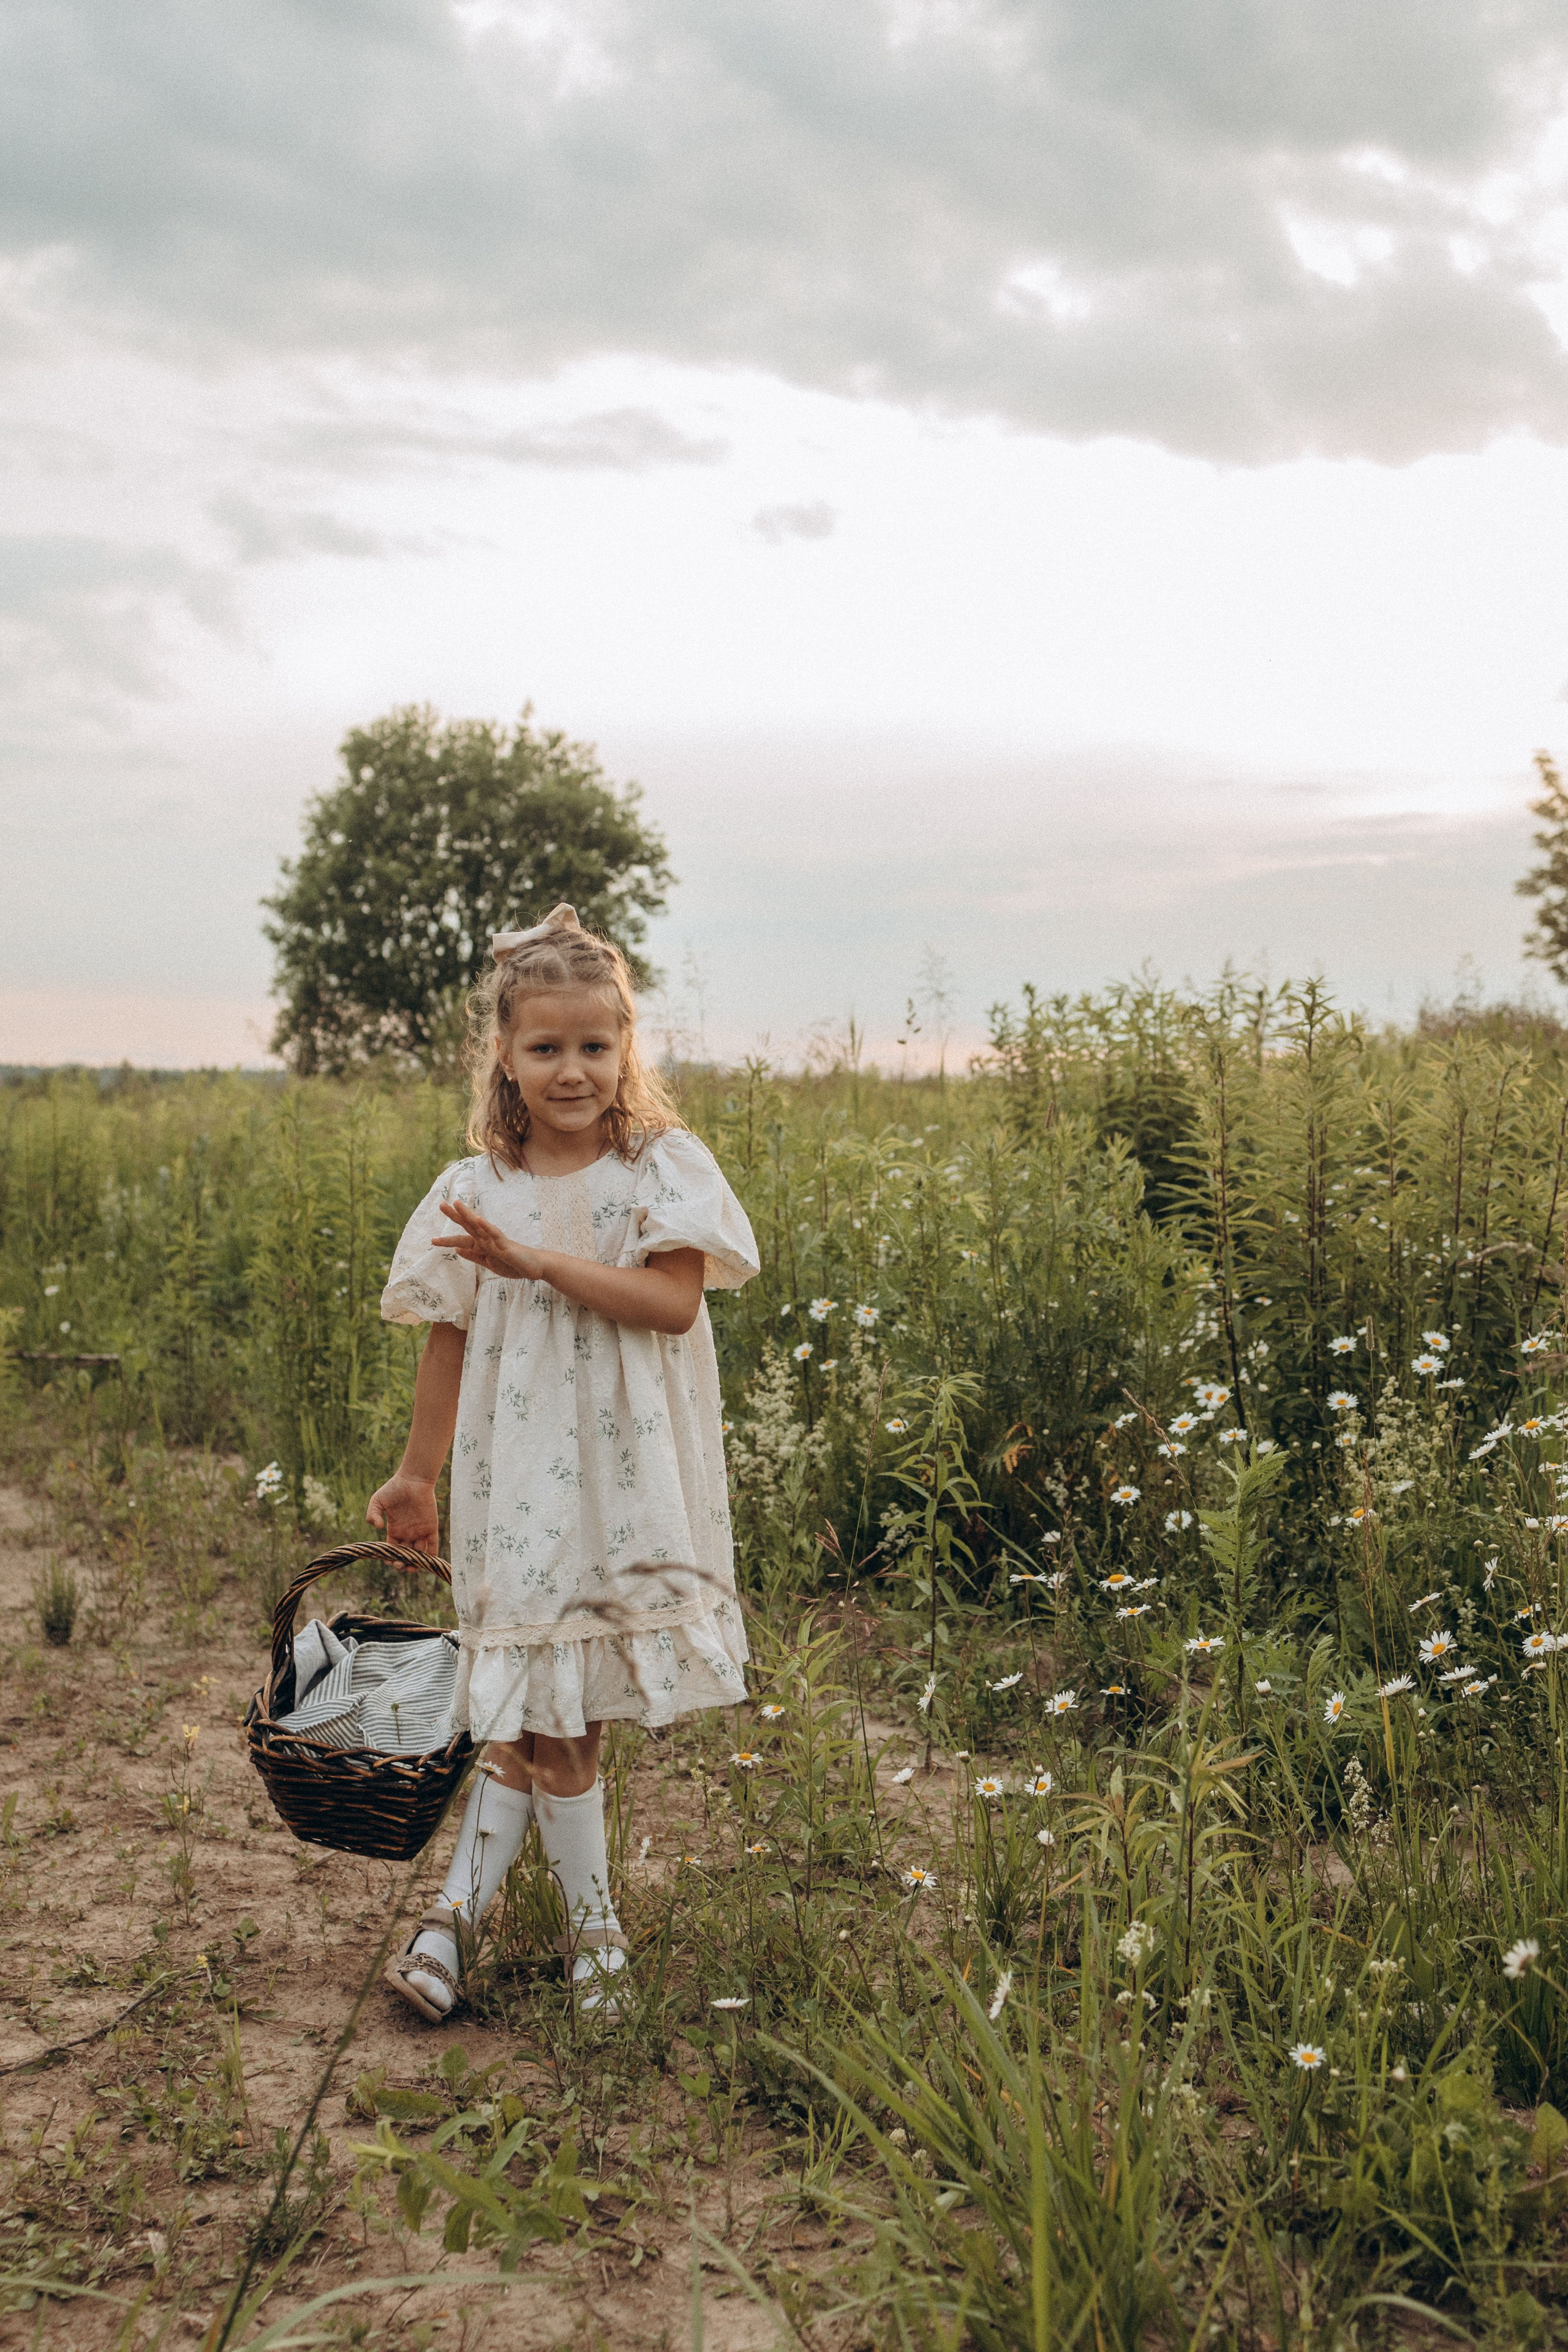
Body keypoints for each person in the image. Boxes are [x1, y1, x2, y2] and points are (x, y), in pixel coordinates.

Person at [368, 904, 758, 2019]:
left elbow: (673, 1303)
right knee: (531, 1708)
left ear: (627, 1047)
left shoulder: (661, 1170)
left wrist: (536, 1261)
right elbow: (448, 1337)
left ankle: (510, 1932)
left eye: (595, 1046)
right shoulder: (475, 1189)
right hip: (518, 1473)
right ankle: (539, 1939)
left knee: (558, 1715)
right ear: (504, 1054)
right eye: (545, 1048)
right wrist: (416, 1475)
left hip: (627, 1481)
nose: (572, 1070)